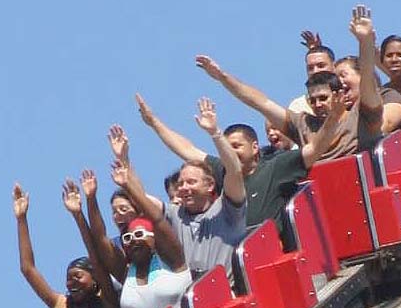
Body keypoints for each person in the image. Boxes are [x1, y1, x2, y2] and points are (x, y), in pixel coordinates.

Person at [196, 5, 401, 164]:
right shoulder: (304, 124)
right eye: (313, 100)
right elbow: (259, 102)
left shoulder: (363, 115)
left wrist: (365, 42)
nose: (317, 104)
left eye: (323, 98)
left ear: (338, 95)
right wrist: (223, 77)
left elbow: (367, 77)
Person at [135, 92, 343, 232]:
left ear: (254, 147)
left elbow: (315, 149)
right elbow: (187, 150)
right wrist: (154, 123)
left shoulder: (277, 166)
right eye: (227, 147)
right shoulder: (223, 171)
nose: (231, 152)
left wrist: (333, 118)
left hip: (272, 249)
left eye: (236, 146)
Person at [109, 98, 247, 278]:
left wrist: (215, 133)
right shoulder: (176, 214)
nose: (184, 188)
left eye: (191, 182)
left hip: (227, 293)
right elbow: (141, 199)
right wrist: (124, 159)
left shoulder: (228, 210)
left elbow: (234, 170)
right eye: (181, 183)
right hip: (190, 300)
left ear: (210, 185)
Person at [77, 166, 192, 308]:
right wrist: (91, 199)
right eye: (128, 238)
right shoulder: (126, 273)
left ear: (154, 239)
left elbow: (157, 219)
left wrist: (128, 186)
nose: (133, 240)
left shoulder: (173, 260)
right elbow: (100, 238)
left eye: (139, 234)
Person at [11, 182, 118, 308]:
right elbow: (28, 269)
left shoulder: (107, 298)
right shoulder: (62, 306)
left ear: (94, 280)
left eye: (78, 276)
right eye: (69, 279)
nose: (72, 283)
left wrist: (78, 215)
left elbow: (95, 258)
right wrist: (21, 219)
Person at [288, 32, 336, 115]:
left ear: (334, 66)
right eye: (310, 68)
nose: (315, 71)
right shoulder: (298, 106)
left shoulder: (350, 96)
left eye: (321, 65)